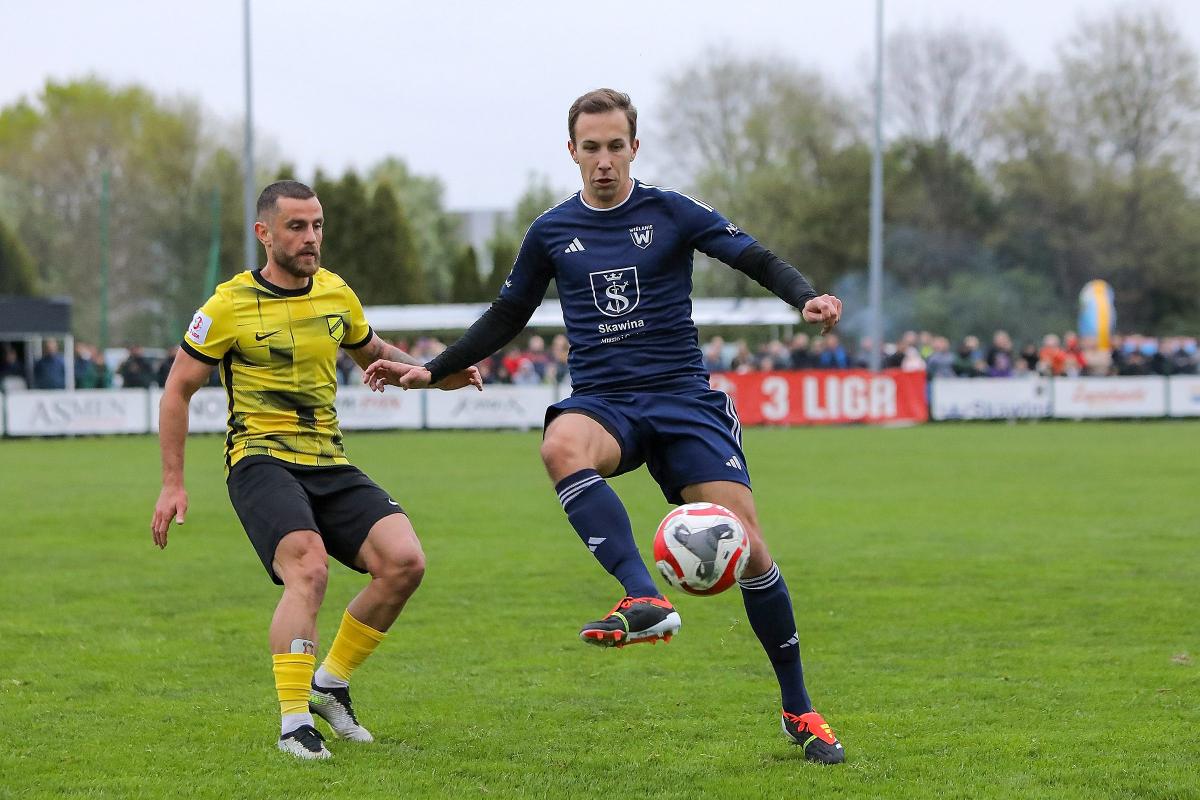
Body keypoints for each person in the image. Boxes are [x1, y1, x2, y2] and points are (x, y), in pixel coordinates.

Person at [363, 89, 846, 764]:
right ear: (572, 152)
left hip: (682, 400)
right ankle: (643, 595)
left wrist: (806, 296)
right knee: (560, 444)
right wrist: (432, 368)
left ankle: (800, 708)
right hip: (605, 402)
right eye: (590, 148)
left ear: (634, 148)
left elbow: (753, 257)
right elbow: (507, 315)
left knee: (752, 550)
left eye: (615, 146)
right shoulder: (551, 231)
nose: (604, 161)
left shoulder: (672, 211)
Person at [150, 180, 481, 761]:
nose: (311, 238)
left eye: (317, 225)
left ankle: (330, 685)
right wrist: (172, 483)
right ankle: (293, 723)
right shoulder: (227, 305)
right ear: (264, 233)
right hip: (259, 458)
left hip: (328, 459)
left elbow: (373, 351)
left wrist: (435, 372)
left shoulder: (335, 293)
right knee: (308, 567)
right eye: (297, 227)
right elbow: (177, 390)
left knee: (404, 562)